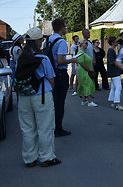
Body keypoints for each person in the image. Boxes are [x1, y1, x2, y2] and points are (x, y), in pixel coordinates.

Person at [17, 27, 61, 168]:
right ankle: (46, 157)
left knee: (28, 128)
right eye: (41, 39)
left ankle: (29, 158)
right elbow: (51, 80)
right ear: (37, 41)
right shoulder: (43, 58)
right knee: (45, 128)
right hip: (41, 95)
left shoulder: (21, 58)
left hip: (24, 96)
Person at [47, 18, 77, 137]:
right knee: (60, 103)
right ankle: (58, 129)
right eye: (65, 26)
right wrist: (72, 60)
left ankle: (52, 126)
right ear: (61, 27)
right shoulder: (62, 42)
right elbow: (60, 60)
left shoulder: (49, 40)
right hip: (60, 73)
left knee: (53, 102)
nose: (66, 28)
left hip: (51, 73)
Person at [76, 39, 98, 107]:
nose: (87, 45)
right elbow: (81, 63)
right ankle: (90, 101)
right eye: (86, 43)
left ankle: (83, 100)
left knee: (84, 85)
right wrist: (90, 69)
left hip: (84, 71)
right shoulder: (80, 52)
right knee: (87, 85)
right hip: (83, 71)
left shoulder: (83, 52)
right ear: (81, 44)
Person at [107, 36, 123, 111]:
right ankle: (118, 104)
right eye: (116, 41)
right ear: (112, 42)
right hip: (114, 72)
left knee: (114, 87)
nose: (117, 42)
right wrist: (118, 62)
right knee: (118, 87)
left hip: (112, 71)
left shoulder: (111, 50)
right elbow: (112, 62)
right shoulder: (111, 51)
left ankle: (113, 101)